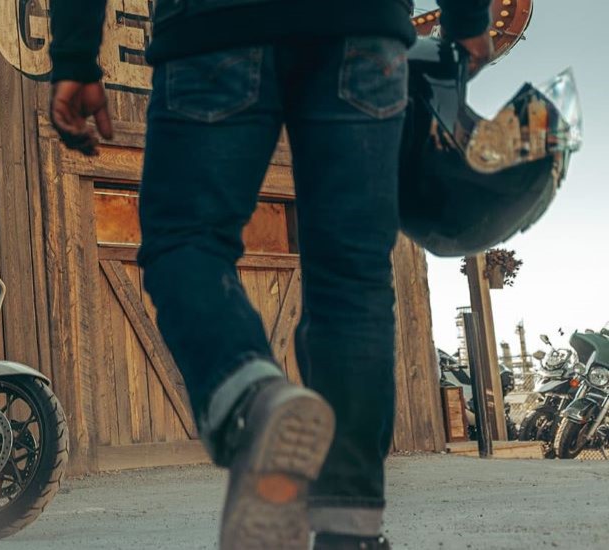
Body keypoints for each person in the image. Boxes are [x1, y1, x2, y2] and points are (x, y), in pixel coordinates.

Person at [49, 1, 491, 549]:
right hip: (363, 29)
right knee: (352, 278)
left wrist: (75, 55)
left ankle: (252, 401)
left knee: (186, 242)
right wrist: (469, 22)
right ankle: (350, 529)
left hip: (213, 26)